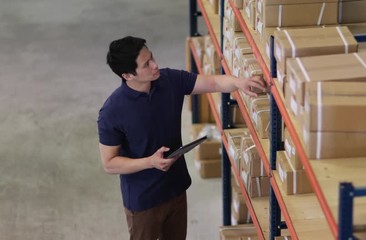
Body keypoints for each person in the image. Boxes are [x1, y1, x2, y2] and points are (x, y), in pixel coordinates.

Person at [97, 36, 265, 240]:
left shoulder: (169, 80)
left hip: (175, 189)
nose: (155, 65)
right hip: (144, 201)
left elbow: (212, 82)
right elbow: (109, 164)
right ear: (127, 75)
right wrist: (150, 162)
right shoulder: (112, 111)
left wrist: (240, 82)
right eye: (146, 64)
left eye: (152, 57)